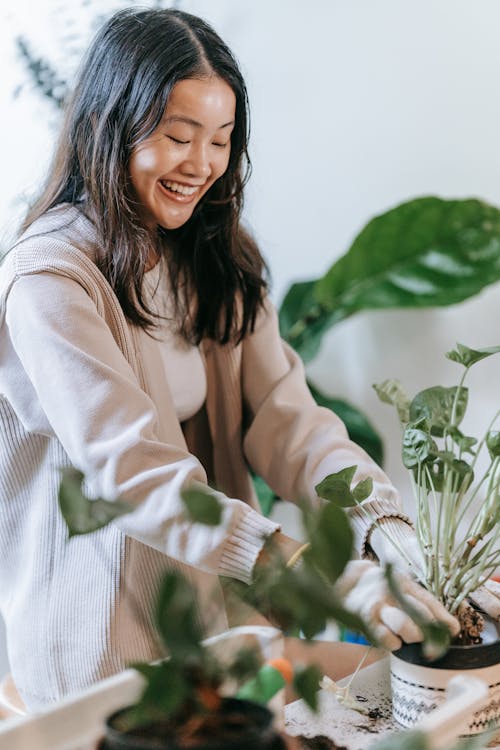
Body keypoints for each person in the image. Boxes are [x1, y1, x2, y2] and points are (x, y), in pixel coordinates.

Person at [0, 8, 459, 711]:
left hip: (214, 625)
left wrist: (385, 531)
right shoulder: (49, 279)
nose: (203, 165)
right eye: (179, 137)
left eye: (219, 140)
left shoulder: (211, 258)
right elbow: (134, 471)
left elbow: (292, 425)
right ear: (105, 127)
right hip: (96, 645)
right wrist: (306, 572)